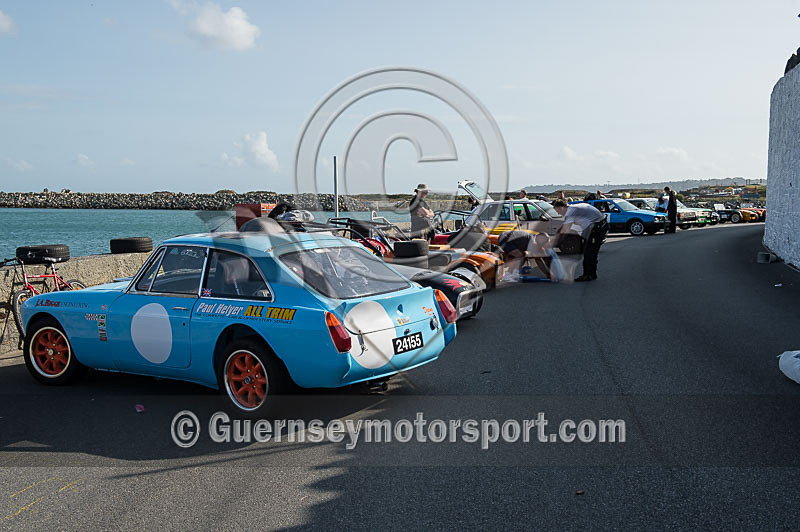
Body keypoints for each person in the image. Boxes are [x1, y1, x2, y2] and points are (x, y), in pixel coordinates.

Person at [552, 199, 608, 282]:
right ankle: (592, 274)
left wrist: (554, 243)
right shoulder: (574, 207)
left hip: (596, 228)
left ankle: (587, 275)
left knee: (589, 252)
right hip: (600, 225)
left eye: (558, 211)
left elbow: (565, 230)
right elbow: (563, 227)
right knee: (591, 252)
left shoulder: (570, 212)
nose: (558, 214)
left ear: (561, 208)